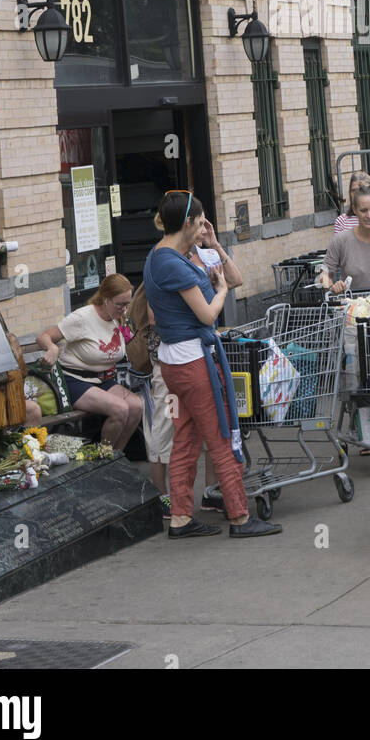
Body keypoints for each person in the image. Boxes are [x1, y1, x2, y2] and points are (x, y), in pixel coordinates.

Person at [143, 189, 281, 540]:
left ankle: (180, 518)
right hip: (194, 361)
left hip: (174, 362)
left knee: (186, 439)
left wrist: (215, 250)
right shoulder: (173, 263)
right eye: (200, 220)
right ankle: (239, 516)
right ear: (188, 222)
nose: (204, 225)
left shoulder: (158, 256)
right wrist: (219, 290)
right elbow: (207, 314)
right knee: (221, 434)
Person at [35, 274, 143, 450]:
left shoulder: (119, 318)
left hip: (104, 380)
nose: (124, 309)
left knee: (137, 406)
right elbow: (43, 337)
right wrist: (52, 349)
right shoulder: (82, 318)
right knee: (120, 409)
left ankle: (116, 457)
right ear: (106, 299)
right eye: (120, 304)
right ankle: (102, 456)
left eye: (127, 304)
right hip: (75, 380)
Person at [322, 184, 370, 293]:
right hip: (353, 307)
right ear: (354, 209)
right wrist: (332, 286)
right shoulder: (341, 240)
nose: (369, 215)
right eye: (363, 210)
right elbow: (324, 273)